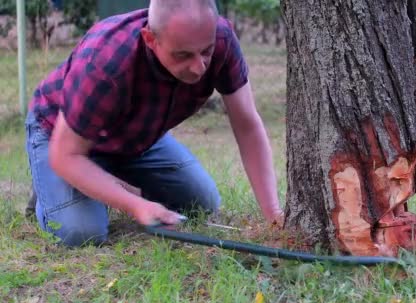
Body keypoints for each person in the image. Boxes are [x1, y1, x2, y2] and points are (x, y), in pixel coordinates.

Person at [24, 0, 283, 247]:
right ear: (150, 39)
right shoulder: (106, 61)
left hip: (133, 138)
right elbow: (65, 155)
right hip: (60, 135)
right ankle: (51, 188)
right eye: (182, 55)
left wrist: (273, 213)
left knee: (201, 203)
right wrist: (135, 204)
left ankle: (100, 177)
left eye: (206, 51)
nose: (198, 67)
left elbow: (248, 127)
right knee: (81, 232)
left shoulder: (222, 39)